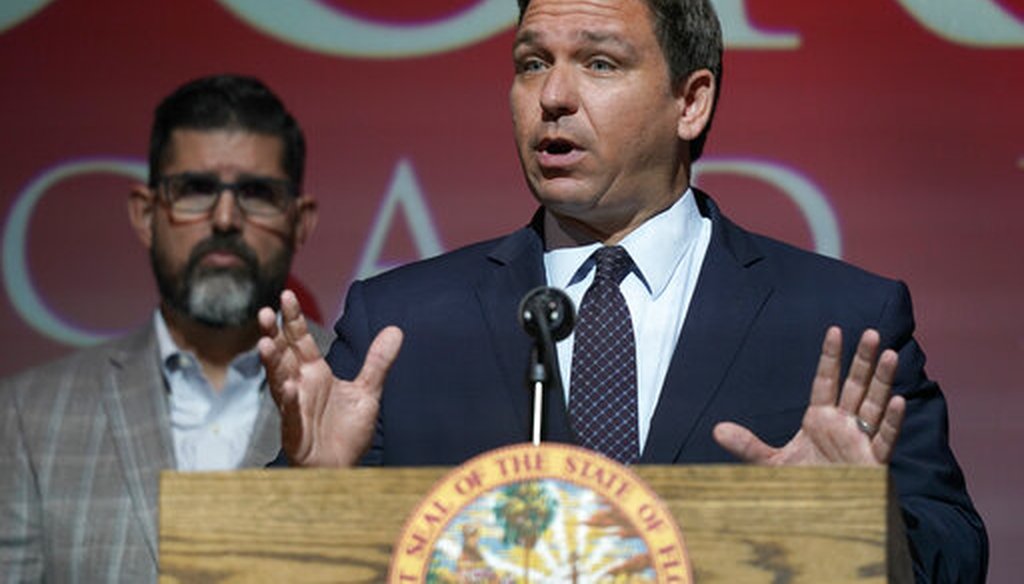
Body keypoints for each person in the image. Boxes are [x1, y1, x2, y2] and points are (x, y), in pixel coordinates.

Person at [257, 1, 987, 581]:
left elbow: (954, 557)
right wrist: (313, 494)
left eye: (599, 63)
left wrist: (857, 526)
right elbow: (264, 565)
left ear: (691, 101)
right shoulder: (403, 325)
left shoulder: (838, 320)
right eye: (532, 62)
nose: (552, 96)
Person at [0, 74, 327, 582]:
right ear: (145, 215)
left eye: (257, 193)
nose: (224, 219)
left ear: (300, 221)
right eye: (195, 190)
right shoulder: (25, 415)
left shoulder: (364, 394)